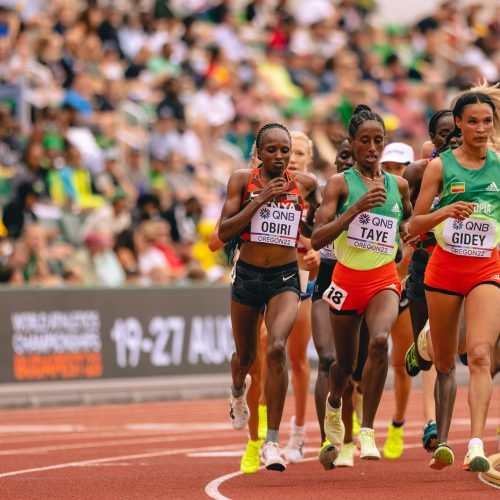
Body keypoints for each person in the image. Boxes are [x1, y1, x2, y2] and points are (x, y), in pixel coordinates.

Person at [311, 105, 412, 461]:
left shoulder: (398, 184)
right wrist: (355, 209)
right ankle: (335, 403)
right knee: (343, 363)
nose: (372, 147)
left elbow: (407, 225)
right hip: (345, 280)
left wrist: (404, 241)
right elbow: (317, 239)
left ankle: (368, 430)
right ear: (352, 144)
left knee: (380, 341)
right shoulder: (340, 184)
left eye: (378, 141)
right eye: (364, 141)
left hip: (382, 278)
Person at [407, 90, 500, 472]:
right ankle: (426, 342)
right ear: (458, 124)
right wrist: (445, 211)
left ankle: (475, 444)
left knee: (479, 355)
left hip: (487, 269)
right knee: (444, 363)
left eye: (487, 121)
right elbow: (413, 226)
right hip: (444, 270)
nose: (481, 128)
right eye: (473, 121)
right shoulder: (440, 167)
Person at [218, 122, 317, 471]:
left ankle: (272, 441)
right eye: (271, 150)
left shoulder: (305, 184)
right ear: (259, 153)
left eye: (285, 150)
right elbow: (224, 230)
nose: (279, 156)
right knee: (245, 357)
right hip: (247, 276)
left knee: (276, 347)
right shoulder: (242, 180)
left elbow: (314, 228)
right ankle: (236, 392)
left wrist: (315, 239)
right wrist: (260, 200)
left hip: (285, 277)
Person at [402, 109, 459, 453]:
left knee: (453, 353)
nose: (451, 138)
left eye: (456, 132)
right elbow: (406, 223)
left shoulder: (479, 170)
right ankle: (432, 423)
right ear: (432, 139)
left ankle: (439, 427)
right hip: (424, 267)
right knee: (429, 356)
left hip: (462, 265)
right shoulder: (419, 172)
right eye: (443, 134)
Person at [310, 138, 364, 469]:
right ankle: (327, 440)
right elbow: (308, 237)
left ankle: (348, 434)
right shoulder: (326, 196)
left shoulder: (374, 195)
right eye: (342, 156)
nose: (347, 162)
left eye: (352, 156)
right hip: (327, 282)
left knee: (350, 366)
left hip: (359, 283)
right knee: (326, 358)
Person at [282, 130, 321, 464]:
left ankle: (298, 432)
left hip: (302, 279)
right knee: (261, 350)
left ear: (308, 158)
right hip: (261, 278)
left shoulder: (316, 194)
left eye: (298, 153)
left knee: (296, 358)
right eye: (287, 152)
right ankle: (262, 433)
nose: (292, 158)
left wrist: (312, 250)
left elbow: (322, 240)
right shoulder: (260, 185)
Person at [379, 142, 415, 460]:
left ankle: (398, 425)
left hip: (402, 290)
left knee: (401, 365)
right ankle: (356, 423)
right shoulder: (376, 199)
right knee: (362, 361)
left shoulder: (415, 203)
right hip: (375, 286)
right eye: (388, 167)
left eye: (399, 167)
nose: (393, 172)